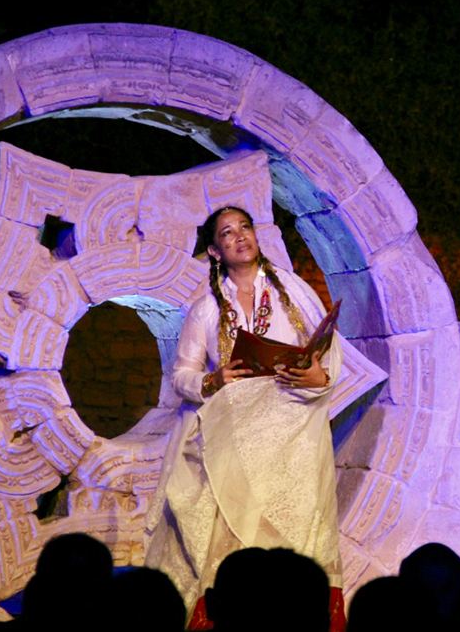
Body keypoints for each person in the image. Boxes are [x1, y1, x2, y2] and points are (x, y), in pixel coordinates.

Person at [144, 206, 343, 615]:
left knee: (294, 530)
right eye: (227, 233)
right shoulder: (206, 308)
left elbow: (328, 348)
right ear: (215, 251)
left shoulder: (293, 290)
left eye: (245, 227)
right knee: (234, 534)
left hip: (293, 434)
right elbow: (182, 374)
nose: (240, 236)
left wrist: (318, 376)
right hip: (233, 437)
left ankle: (295, 614)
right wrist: (213, 380)